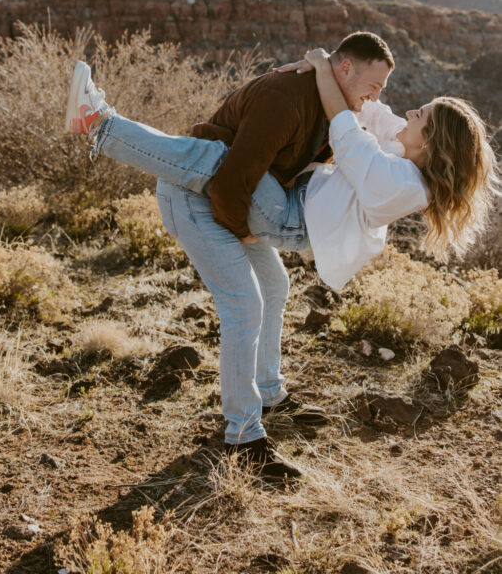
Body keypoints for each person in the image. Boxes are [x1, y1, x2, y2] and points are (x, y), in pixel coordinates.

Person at [64, 40, 498, 480]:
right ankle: (267, 394)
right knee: (274, 287)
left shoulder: (403, 182)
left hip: (285, 215)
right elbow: (373, 115)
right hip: (283, 206)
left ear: (432, 140)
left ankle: (101, 123)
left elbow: (347, 131)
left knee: (217, 165)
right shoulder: (406, 157)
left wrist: (321, 68)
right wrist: (321, 65)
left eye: (419, 116)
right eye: (410, 107)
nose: (406, 113)